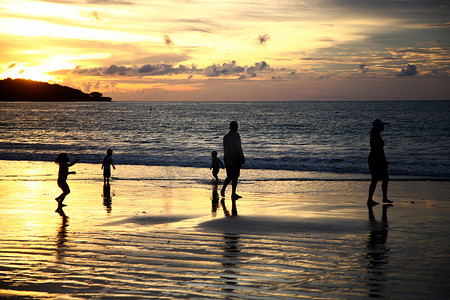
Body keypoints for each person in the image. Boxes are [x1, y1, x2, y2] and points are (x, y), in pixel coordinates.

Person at [367, 119, 393, 206]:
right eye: (382, 125)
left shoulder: (376, 135)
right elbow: (377, 150)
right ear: (378, 127)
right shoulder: (375, 136)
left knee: (383, 178)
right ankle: (371, 199)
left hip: (375, 159)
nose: (383, 127)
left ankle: (382, 198)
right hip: (376, 159)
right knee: (377, 179)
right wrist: (383, 160)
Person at [221, 121, 245, 200]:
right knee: (230, 176)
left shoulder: (237, 135)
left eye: (236, 127)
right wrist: (228, 160)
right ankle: (223, 189)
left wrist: (242, 156)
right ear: (231, 127)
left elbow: (239, 146)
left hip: (237, 158)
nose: (236, 129)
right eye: (234, 127)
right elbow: (226, 149)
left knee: (236, 176)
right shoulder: (227, 137)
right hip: (230, 158)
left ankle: (233, 193)